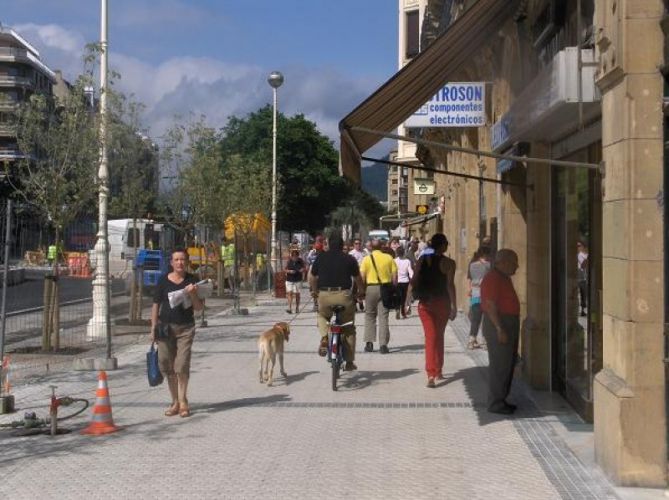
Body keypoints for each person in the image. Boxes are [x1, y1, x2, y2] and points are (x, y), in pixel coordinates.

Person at [151, 249, 204, 418]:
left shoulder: (192, 280)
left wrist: (193, 293)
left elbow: (198, 307)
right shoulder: (163, 280)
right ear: (171, 263)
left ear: (186, 262)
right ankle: (174, 401)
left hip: (185, 328)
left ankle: (183, 401)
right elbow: (156, 304)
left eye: (183, 259)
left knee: (181, 365)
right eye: (176, 259)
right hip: (165, 329)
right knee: (167, 365)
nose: (180, 262)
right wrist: (153, 327)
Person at [309, 233, 364, 371]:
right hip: (344, 296)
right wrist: (361, 292)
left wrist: (315, 291)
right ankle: (350, 362)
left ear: (328, 244)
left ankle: (324, 337)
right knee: (349, 327)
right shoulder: (349, 259)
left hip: (325, 295)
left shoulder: (321, 257)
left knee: (322, 316)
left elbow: (312, 277)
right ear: (342, 246)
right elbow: (358, 279)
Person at [407, 234, 456, 387]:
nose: (447, 246)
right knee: (438, 336)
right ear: (442, 245)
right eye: (446, 243)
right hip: (443, 303)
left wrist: (408, 299)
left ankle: (431, 373)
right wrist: (454, 305)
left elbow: (414, 281)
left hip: (425, 303)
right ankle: (438, 370)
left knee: (431, 337)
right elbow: (450, 285)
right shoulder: (449, 263)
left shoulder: (422, 260)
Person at [480, 249, 520, 415]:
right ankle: (495, 402)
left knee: (508, 364)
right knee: (500, 365)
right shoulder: (493, 278)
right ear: (503, 262)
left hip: (508, 322)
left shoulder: (503, 277)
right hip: (500, 323)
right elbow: (490, 305)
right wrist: (499, 328)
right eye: (514, 262)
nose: (517, 266)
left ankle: (501, 399)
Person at [360, 238, 398, 354]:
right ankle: (383, 345)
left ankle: (369, 343)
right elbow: (395, 277)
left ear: (371, 247)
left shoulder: (366, 259)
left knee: (370, 315)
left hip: (370, 288)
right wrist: (393, 289)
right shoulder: (389, 258)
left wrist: (362, 291)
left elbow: (362, 277)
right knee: (383, 316)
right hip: (385, 288)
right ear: (382, 246)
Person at [467, 245, 492, 349]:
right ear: (486, 254)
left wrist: (469, 289)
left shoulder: (472, 265)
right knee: (486, 319)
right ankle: (485, 341)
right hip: (486, 295)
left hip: (475, 294)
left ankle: (471, 340)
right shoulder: (489, 265)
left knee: (475, 319)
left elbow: (469, 278)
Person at [394, 246, 413, 319]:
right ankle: (403, 313)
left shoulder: (394, 261)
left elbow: (393, 271)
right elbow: (410, 272)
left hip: (397, 281)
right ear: (404, 253)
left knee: (397, 297)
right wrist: (412, 278)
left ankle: (397, 309)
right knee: (403, 298)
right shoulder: (407, 261)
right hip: (405, 281)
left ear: (397, 253)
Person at [349, 238, 368, 311]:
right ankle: (354, 305)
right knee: (354, 289)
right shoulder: (351, 253)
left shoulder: (364, 252)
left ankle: (360, 302)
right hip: (355, 274)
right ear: (353, 245)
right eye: (356, 243)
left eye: (359, 243)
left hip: (363, 273)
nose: (358, 245)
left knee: (362, 289)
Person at [306, 236, 324, 311]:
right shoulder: (312, 252)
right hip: (313, 269)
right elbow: (308, 261)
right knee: (312, 288)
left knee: (321, 288)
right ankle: (315, 303)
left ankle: (320, 303)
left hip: (321, 270)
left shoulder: (324, 253)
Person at [285, 249, 305, 314]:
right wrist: (290, 271)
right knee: (289, 293)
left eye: (295, 256)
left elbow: (304, 268)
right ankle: (289, 308)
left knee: (297, 294)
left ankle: (297, 308)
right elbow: (285, 269)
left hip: (297, 279)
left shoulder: (300, 261)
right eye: (293, 256)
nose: (294, 257)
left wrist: (302, 270)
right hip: (289, 279)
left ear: (297, 256)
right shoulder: (289, 261)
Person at [577, 240, 588, 317]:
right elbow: (582, 265)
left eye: (579, 246)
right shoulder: (579, 255)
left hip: (584, 278)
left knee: (583, 294)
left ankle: (582, 310)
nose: (578, 247)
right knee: (579, 294)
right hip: (580, 277)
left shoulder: (585, 255)